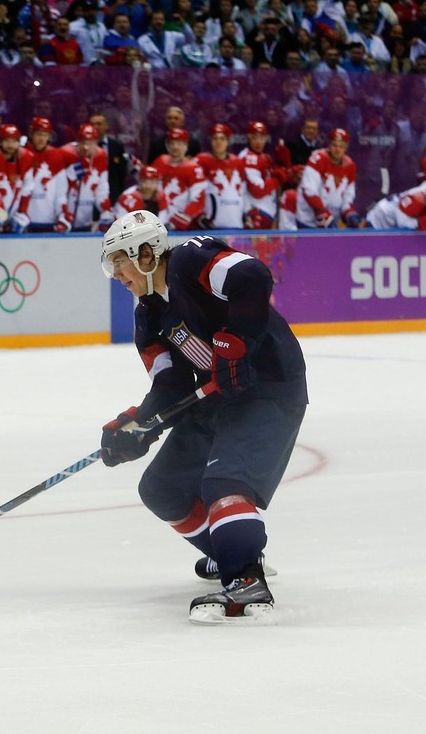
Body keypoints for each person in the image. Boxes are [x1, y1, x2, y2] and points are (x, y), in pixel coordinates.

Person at [98, 209, 307, 624]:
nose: (116, 274)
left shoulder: (191, 261)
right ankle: (229, 547)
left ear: (146, 253)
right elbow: (171, 384)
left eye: (120, 261)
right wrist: (137, 424)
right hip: (220, 397)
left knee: (224, 483)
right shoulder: (148, 316)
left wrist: (235, 340)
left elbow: (252, 277)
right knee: (161, 488)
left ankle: (246, 580)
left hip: (269, 387)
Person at [289, 128, 359, 229]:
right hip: (308, 219)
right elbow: (309, 191)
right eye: (334, 145)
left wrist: (348, 212)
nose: (337, 150)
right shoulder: (317, 158)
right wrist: (322, 212)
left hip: (331, 219)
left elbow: (348, 195)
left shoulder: (350, 166)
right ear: (329, 145)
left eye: (341, 146)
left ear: (346, 148)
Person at [196, 124, 248, 229]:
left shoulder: (237, 162)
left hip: (236, 223)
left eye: (222, 139)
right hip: (212, 225)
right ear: (211, 141)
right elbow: (196, 191)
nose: (218, 142)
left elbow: (243, 190)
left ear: (228, 141)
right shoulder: (201, 161)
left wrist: (246, 214)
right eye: (215, 138)